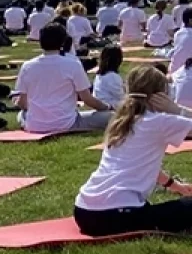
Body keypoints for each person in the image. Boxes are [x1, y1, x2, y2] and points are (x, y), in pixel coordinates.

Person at [74, 67, 192, 236]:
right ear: (159, 97)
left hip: (83, 211)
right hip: (115, 215)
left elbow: (140, 164)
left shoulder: (121, 122)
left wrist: (174, 185)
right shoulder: (159, 121)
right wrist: (177, 110)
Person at [16, 23, 113, 134]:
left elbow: (22, 103)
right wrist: (106, 107)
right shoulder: (73, 64)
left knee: (21, 114)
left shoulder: (27, 66)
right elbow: (87, 99)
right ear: (63, 42)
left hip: (35, 124)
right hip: (66, 123)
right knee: (111, 116)